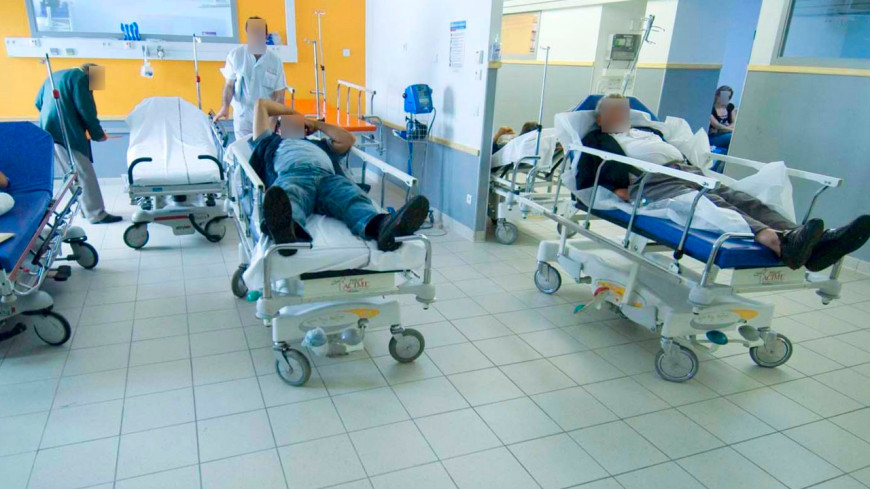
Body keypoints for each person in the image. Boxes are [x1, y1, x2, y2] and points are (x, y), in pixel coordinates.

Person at [577, 93, 870, 271]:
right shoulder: (597, 140)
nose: (621, 115)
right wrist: (620, 190)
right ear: (600, 119)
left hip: (688, 171)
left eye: (624, 110)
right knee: (712, 203)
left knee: (742, 198)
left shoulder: (648, 132)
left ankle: (810, 240)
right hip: (653, 181)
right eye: (613, 111)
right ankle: (773, 239)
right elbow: (592, 172)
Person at [249, 98, 430, 255]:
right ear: (278, 129)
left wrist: (316, 124)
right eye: (290, 125)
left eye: (299, 125)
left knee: (351, 196)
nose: (295, 127)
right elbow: (261, 105)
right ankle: (287, 232)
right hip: (294, 175)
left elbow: (348, 139)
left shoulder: (320, 145)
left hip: (328, 178)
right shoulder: (269, 142)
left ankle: (382, 227)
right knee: (288, 197)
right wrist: (295, 115)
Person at [35, 63, 121, 224]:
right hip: (67, 131)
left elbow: (38, 102)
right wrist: (98, 134)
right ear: (91, 74)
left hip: (49, 130)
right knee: (83, 172)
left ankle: (86, 211)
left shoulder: (54, 76)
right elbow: (86, 109)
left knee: (72, 174)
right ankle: (96, 214)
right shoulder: (81, 78)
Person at [214, 16, 286, 139]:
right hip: (243, 117)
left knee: (263, 149)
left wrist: (273, 122)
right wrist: (225, 106)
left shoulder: (275, 62)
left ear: (265, 35)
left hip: (265, 119)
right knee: (244, 149)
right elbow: (229, 86)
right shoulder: (236, 56)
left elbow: (279, 96)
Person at [708, 85, 736, 150]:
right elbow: (717, 125)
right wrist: (731, 130)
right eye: (723, 95)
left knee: (733, 137)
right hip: (712, 137)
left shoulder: (730, 107)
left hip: (724, 133)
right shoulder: (710, 108)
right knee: (732, 137)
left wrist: (723, 130)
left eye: (728, 97)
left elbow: (734, 123)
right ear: (717, 95)